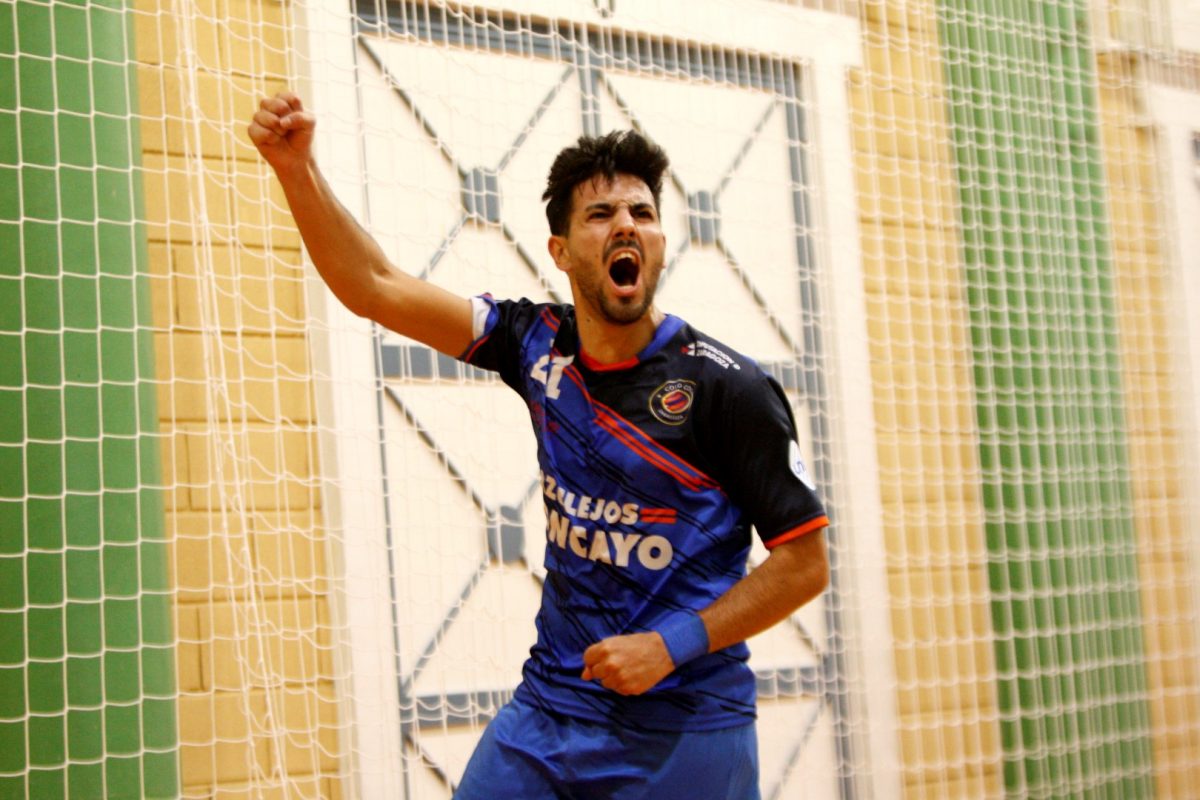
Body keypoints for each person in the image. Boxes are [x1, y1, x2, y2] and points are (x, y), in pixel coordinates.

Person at [249, 92, 830, 799]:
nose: (627, 226)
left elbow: (803, 564)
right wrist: (295, 170)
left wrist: (670, 646)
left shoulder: (726, 388)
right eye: (602, 214)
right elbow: (374, 287)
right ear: (559, 250)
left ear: (661, 242)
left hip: (685, 731)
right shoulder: (533, 343)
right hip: (549, 714)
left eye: (642, 214)